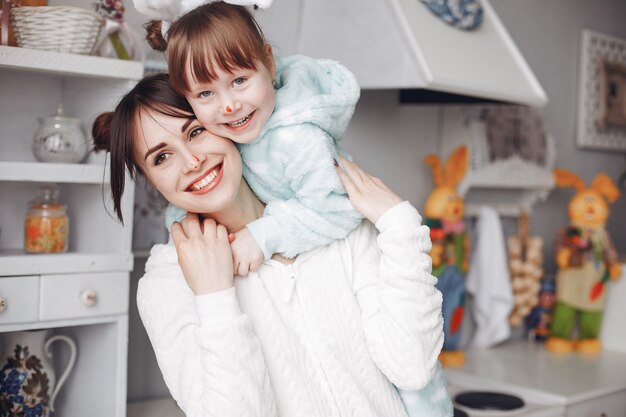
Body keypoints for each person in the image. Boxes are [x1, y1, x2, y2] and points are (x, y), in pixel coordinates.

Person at [92, 73, 447, 416]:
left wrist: (400, 226)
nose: (192, 161)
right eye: (161, 157)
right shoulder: (168, 282)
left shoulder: (335, 222)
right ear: (152, 181)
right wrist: (215, 297)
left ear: (226, 123)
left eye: (196, 131)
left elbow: (413, 368)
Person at [133, 0, 363, 276]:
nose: (229, 106)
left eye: (239, 81)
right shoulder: (226, 136)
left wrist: (262, 235)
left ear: (268, 62)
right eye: (205, 94)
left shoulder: (299, 138)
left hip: (339, 264)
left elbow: (339, 209)